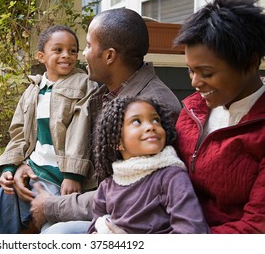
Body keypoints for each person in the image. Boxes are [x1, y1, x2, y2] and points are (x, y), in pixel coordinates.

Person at [28, 8, 183, 234]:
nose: (83, 55)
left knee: (55, 233)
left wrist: (52, 206)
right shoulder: (103, 96)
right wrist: (22, 164)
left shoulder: (152, 109)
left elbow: (128, 191)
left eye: (89, 46)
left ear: (109, 56)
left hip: (133, 222)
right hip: (98, 202)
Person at [0, 25, 98, 233]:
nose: (67, 55)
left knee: (53, 229)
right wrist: (10, 167)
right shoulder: (32, 92)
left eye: (73, 50)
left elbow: (80, 131)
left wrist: (74, 174)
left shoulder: (83, 84)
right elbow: (18, 134)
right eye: (58, 50)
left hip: (62, 178)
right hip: (35, 172)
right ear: (41, 56)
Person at [172, 0, 265, 233]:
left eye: (206, 73)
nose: (195, 82)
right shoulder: (192, 109)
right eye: (190, 71)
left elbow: (255, 228)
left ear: (250, 62)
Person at [88, 96, 209, 234]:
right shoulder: (107, 186)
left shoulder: (172, 177)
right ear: (116, 142)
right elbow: (94, 226)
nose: (151, 126)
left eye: (155, 120)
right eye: (136, 121)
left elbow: (191, 231)